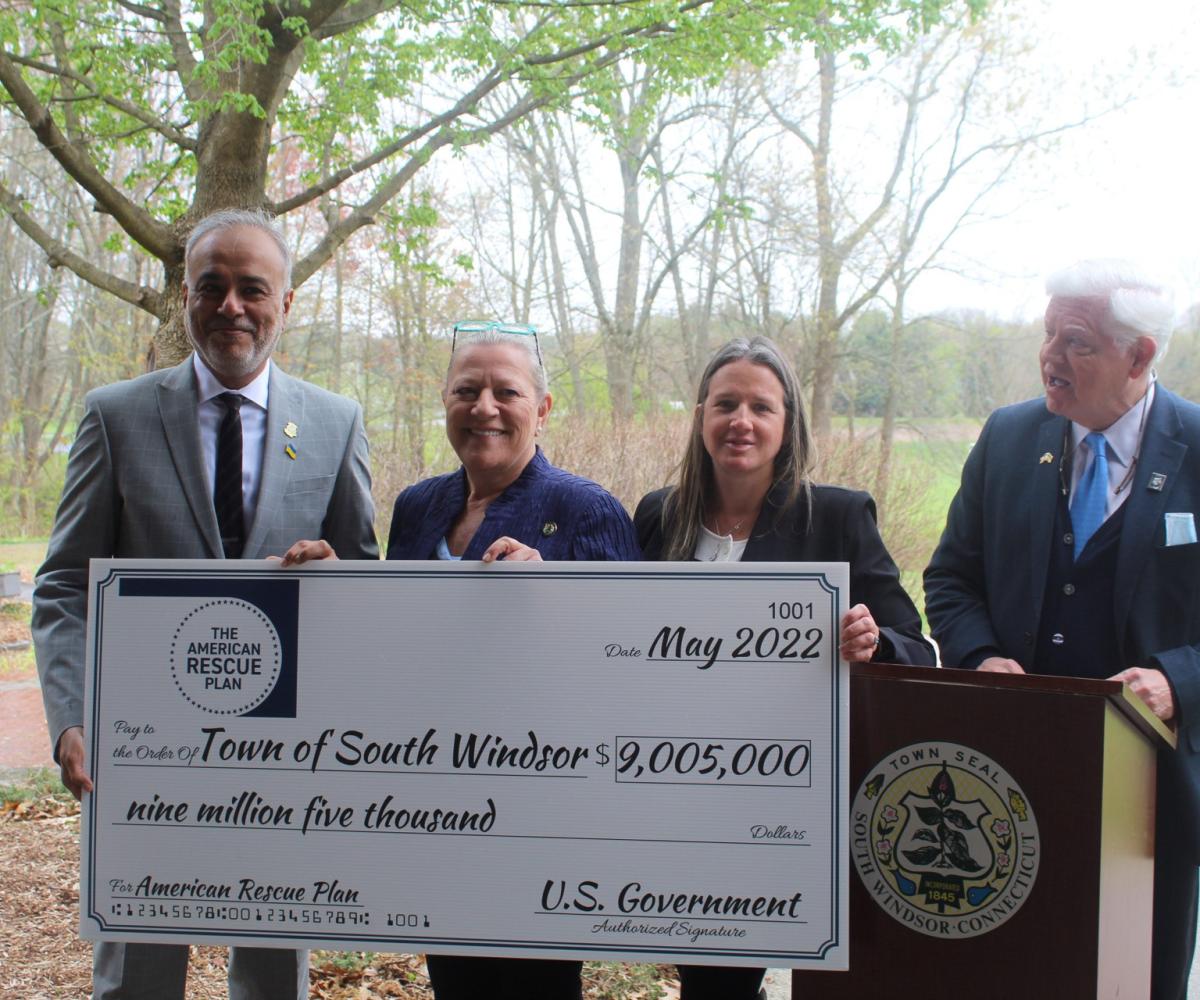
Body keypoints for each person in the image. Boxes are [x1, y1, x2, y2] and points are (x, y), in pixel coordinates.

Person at [32, 208, 379, 1000]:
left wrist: (339, 578)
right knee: (139, 973)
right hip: (141, 747)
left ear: (285, 303)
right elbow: (61, 585)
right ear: (183, 297)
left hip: (285, 753)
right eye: (210, 287)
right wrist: (71, 717)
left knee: (271, 970)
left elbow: (365, 584)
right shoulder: (113, 416)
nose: (231, 306)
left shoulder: (335, 423)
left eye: (251, 288)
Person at [290, 321, 639, 998]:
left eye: (506, 391)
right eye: (466, 390)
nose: (484, 407)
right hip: (438, 807)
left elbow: (621, 671)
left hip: (543, 816)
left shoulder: (588, 509)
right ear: (445, 403)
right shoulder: (419, 507)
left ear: (541, 409)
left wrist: (559, 598)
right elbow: (396, 653)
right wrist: (336, 595)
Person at [924, 259, 1200, 1000]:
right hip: (1008, 782)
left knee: (1136, 980)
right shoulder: (1010, 437)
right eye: (1047, 335)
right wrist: (979, 656)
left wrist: (1179, 676)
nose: (1049, 357)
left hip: (1153, 796)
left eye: (1075, 342)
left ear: (1140, 355)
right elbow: (951, 578)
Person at [634, 335, 934, 1000]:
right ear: (701, 415)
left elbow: (917, 645)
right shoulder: (659, 515)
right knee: (705, 970)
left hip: (792, 792)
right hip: (678, 785)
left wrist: (871, 640)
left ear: (787, 423)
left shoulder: (837, 514)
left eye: (761, 407)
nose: (741, 421)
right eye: (726, 404)